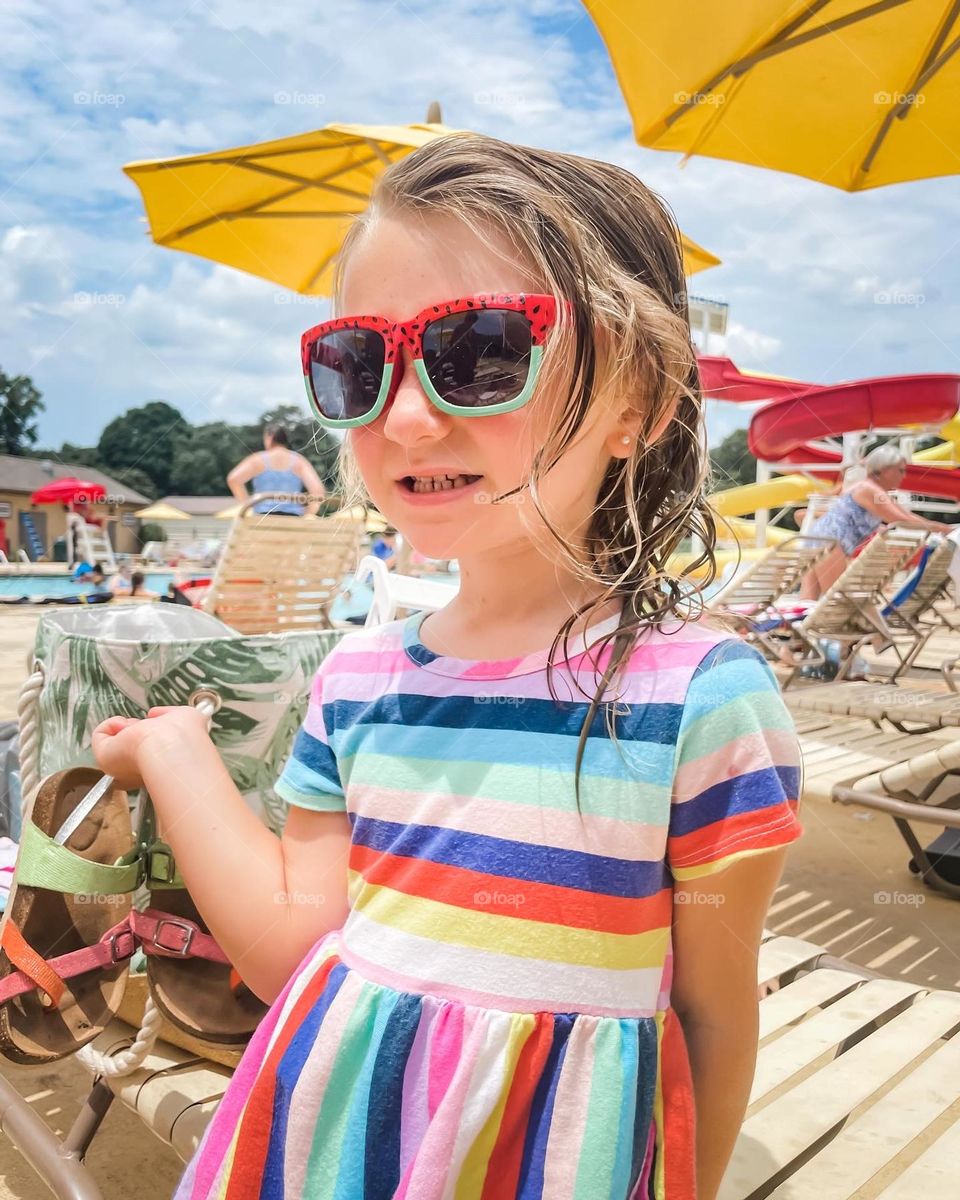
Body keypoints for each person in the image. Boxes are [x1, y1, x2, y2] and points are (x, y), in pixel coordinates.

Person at [94, 134, 802, 1200]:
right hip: (334, 1148)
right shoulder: (360, 679)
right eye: (358, 365)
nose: (408, 419)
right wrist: (173, 751)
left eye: (480, 353)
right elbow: (297, 948)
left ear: (639, 403)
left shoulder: (697, 702)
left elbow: (711, 1009)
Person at [801, 444, 952, 599]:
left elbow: (903, 516)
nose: (903, 475)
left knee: (808, 604)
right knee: (836, 601)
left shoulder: (866, 488)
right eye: (900, 470)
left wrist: (940, 528)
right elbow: (902, 520)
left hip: (816, 538)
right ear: (885, 470)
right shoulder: (870, 490)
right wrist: (944, 529)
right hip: (830, 543)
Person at [226, 424, 326, 516]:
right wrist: (308, 512)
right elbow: (318, 491)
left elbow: (233, 479)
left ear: (270, 438)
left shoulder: (258, 459)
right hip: (292, 519)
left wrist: (248, 507)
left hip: (261, 518)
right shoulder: (299, 461)